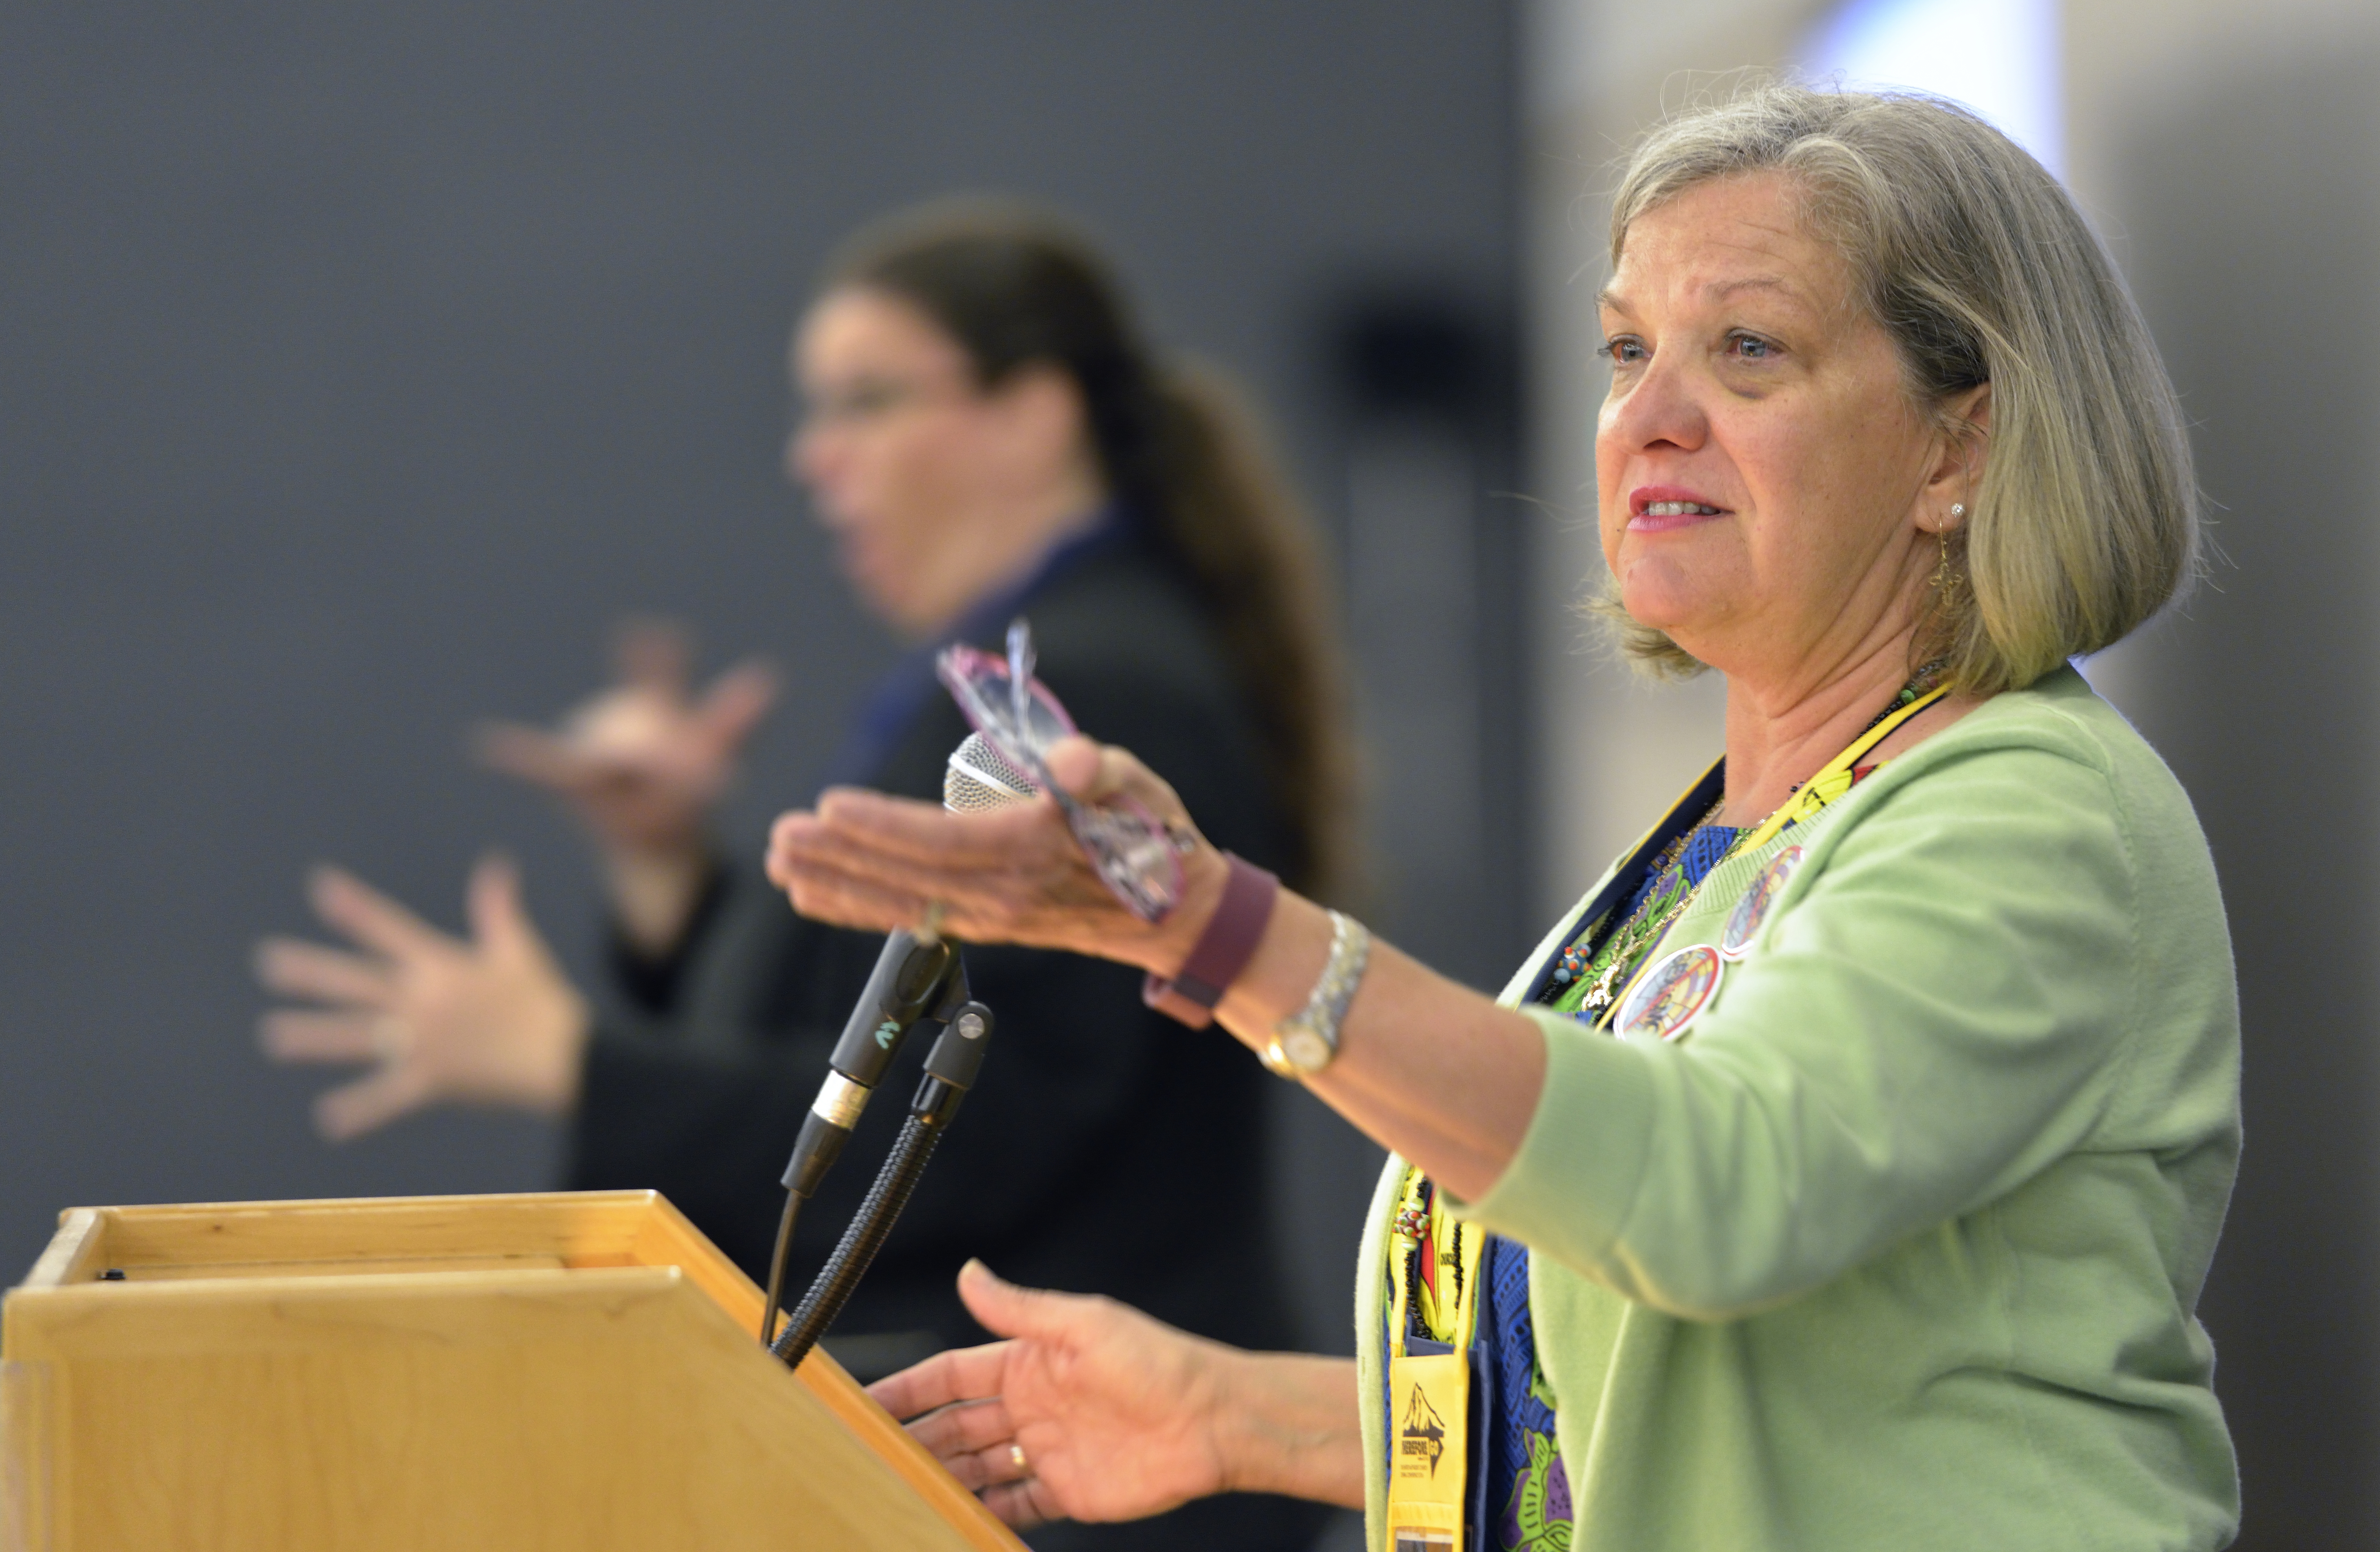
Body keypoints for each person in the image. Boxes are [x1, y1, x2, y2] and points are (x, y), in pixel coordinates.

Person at [764, 85, 2242, 1552]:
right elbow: (1624, 1391)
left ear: (1956, 449)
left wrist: (1232, 931)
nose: (1649, 418)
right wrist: (1230, 1417)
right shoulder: (1693, 860)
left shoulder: (2035, 813)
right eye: (1623, 350)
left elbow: (1708, 1194)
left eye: (1746, 350)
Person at [255, 202, 1352, 1552]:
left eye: (866, 401)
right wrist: (672, 881)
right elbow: (867, 1028)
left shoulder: (1086, 692)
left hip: (1095, 1477)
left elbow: (967, 1127)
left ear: (1032, 412)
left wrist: (570, 1062)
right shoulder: (1017, 672)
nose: (815, 457)